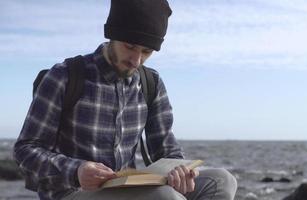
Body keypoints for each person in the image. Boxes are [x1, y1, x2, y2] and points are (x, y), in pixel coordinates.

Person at [13, 0, 238, 199]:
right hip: (72, 192)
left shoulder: (151, 83)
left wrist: (180, 171)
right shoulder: (64, 76)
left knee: (222, 180)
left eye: (147, 51)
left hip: (127, 190)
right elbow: (26, 149)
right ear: (111, 34)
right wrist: (76, 170)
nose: (136, 60)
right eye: (129, 47)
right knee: (163, 196)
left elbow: (166, 151)